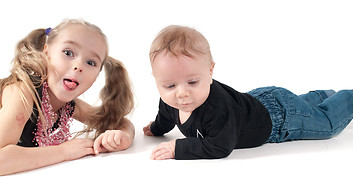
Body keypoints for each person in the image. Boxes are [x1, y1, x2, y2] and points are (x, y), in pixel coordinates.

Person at [143, 25, 353, 160]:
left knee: (326, 124)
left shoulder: (219, 108)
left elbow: (220, 146)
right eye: (170, 86)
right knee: (301, 106)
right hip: (260, 101)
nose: (181, 93)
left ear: (210, 72)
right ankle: (322, 95)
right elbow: (165, 116)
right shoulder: (170, 101)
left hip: (280, 120)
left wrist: (178, 149)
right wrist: (156, 128)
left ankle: (347, 97)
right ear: (157, 80)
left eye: (192, 81)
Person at [0, 19, 135, 176]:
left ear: (97, 75)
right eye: (68, 53)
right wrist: (62, 152)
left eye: (90, 62)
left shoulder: (67, 106)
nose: (78, 66)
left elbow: (118, 121)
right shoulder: (22, 93)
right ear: (46, 53)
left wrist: (123, 136)